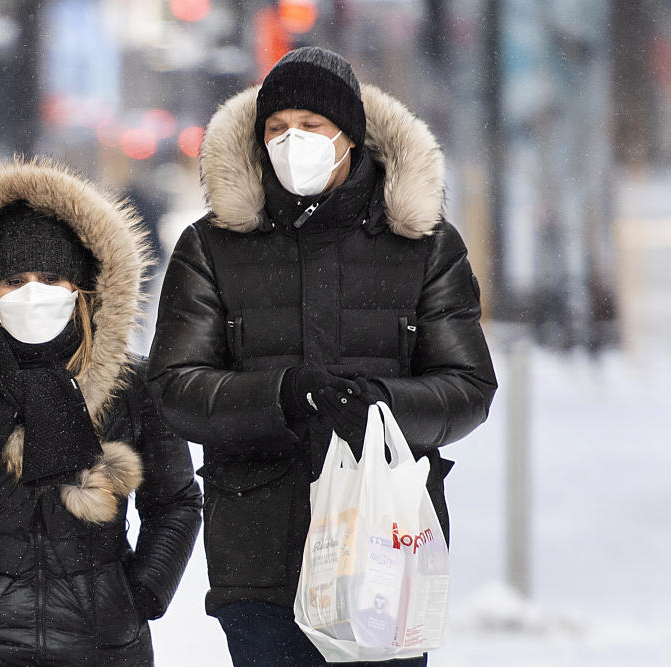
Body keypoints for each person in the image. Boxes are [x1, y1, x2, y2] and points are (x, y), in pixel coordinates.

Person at [147, 46, 497, 666]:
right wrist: (280, 395)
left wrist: (384, 406)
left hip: (385, 554)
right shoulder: (211, 247)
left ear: (351, 138)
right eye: (277, 129)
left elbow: (468, 387)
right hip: (259, 558)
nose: (292, 142)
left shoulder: (424, 244)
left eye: (311, 126)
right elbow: (176, 387)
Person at [0, 158, 202, 666]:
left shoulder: (131, 385)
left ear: (80, 289)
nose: (34, 293)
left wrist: (141, 593)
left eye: (52, 276)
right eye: (15, 280)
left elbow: (176, 502)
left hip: (102, 642)